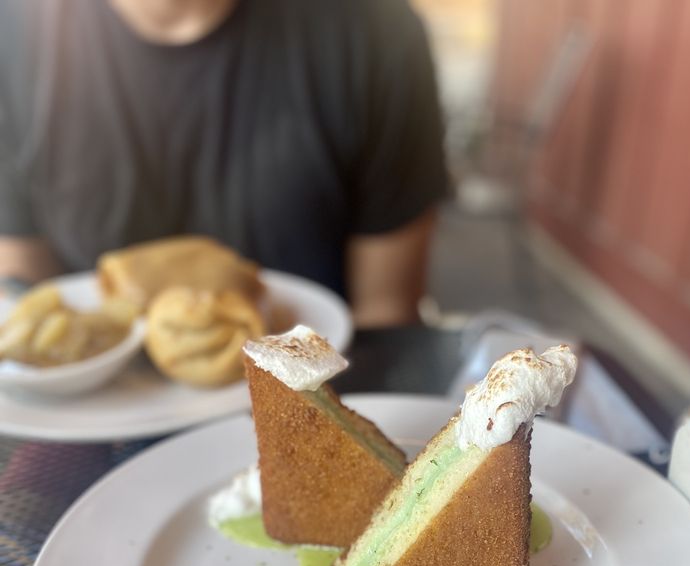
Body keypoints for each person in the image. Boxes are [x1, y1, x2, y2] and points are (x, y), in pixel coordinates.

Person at [0, 0, 449, 326]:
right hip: (93, 417)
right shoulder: (15, 33)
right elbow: (24, 288)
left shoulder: (374, 31)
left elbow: (386, 312)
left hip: (315, 401)